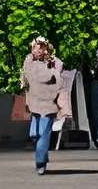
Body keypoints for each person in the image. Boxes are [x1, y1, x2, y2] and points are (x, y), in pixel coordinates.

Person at [20, 37, 69, 175]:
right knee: (34, 135)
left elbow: (59, 79)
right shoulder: (29, 62)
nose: (38, 50)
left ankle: (40, 163)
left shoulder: (54, 63)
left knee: (42, 133)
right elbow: (26, 73)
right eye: (36, 47)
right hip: (35, 104)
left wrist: (51, 62)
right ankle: (43, 154)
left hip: (49, 105)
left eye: (41, 47)